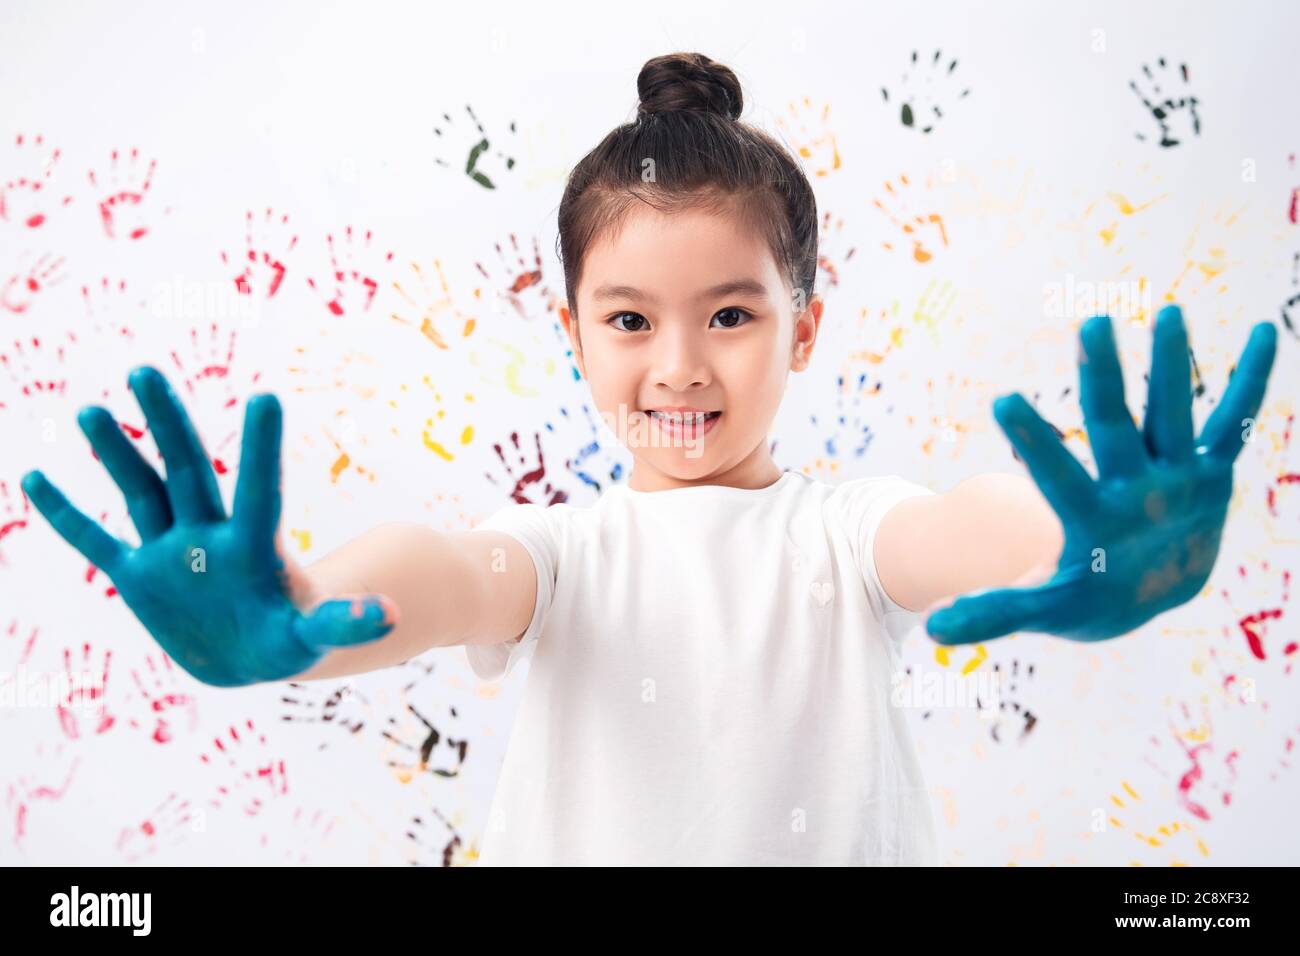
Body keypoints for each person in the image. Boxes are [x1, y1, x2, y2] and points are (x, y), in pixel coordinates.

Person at [20, 52, 1278, 865]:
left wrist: (1096, 543)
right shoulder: (562, 559)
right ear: (571, 331)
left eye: (731, 315)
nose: (679, 365)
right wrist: (294, 612)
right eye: (629, 319)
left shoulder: (845, 533)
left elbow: (962, 531)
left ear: (807, 325)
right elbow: (442, 573)